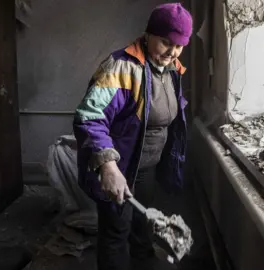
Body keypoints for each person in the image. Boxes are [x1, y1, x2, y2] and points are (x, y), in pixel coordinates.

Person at [72, 3, 192, 269]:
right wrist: (108, 166)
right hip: (122, 166)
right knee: (116, 233)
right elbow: (88, 117)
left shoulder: (172, 70)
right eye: (165, 42)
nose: (172, 52)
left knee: (142, 229)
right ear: (148, 34)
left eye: (179, 45)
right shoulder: (121, 68)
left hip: (147, 167)